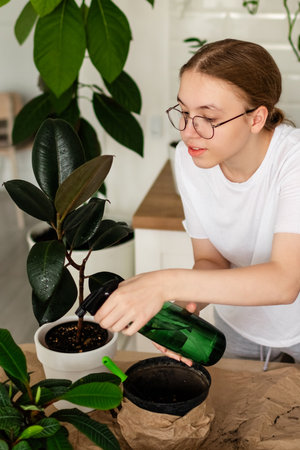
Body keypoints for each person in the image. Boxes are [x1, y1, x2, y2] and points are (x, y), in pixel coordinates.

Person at [94, 39, 300, 369]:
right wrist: (183, 311)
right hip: (237, 322)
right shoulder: (189, 160)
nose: (189, 131)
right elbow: (210, 260)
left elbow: (284, 282)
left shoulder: (293, 161)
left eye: (207, 117)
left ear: (256, 118)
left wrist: (161, 284)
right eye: (185, 112)